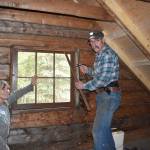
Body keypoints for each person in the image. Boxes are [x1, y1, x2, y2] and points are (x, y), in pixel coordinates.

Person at [75, 31, 121, 150]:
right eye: (91, 41)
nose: (93, 44)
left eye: (96, 40)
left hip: (109, 95)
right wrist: (88, 70)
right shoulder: (100, 55)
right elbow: (98, 73)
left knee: (98, 131)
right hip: (104, 95)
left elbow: (102, 80)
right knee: (104, 130)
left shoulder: (107, 54)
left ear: (102, 40)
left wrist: (84, 86)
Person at [0, 76, 37, 150]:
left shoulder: (5, 103)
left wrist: (31, 85)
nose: (7, 91)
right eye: (3, 89)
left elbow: (16, 94)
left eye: (8, 89)